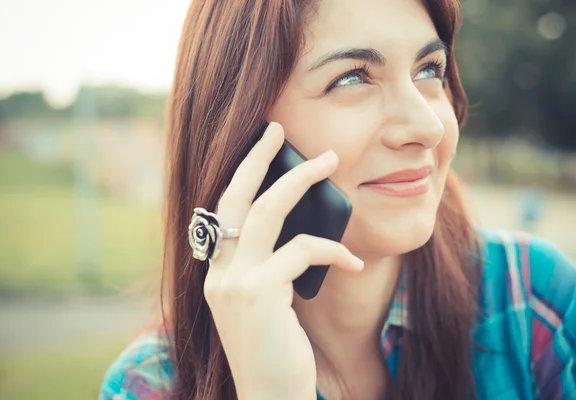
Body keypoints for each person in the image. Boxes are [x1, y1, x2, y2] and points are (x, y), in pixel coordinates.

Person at [99, 0, 576, 399]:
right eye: (353, 78)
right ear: (242, 132)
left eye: (429, 69)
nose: (428, 127)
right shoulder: (148, 387)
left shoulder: (533, 301)